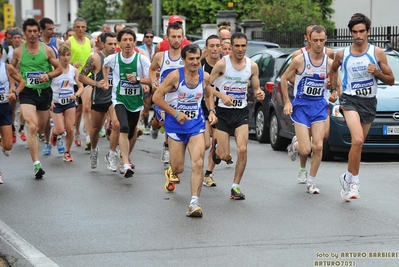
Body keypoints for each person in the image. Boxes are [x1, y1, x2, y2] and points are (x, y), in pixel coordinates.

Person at [329, 13, 394, 201]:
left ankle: (346, 177)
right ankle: (354, 183)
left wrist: (378, 73)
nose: (358, 35)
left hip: (369, 102)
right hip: (349, 100)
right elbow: (333, 69)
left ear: (368, 32)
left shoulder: (377, 53)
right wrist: (334, 88)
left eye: (362, 31)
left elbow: (391, 80)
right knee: (356, 140)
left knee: (359, 144)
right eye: (355, 32)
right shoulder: (343, 53)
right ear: (351, 33)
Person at [153, 44, 218, 217]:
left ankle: (194, 202)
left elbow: (208, 93)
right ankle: (171, 171)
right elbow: (156, 97)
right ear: (184, 60)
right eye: (191, 59)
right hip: (175, 126)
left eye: (197, 58)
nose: (195, 62)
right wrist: (175, 112)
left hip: (195, 125)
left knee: (198, 162)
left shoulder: (205, 76)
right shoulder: (175, 76)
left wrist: (211, 111)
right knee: (179, 167)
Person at [281, 25, 338, 194]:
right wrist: (286, 102)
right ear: (309, 40)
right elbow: (284, 78)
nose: (318, 44)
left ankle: (311, 182)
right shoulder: (300, 60)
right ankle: (296, 144)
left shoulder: (329, 63)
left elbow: (336, 83)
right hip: (301, 106)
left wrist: (334, 92)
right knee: (306, 149)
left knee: (319, 146)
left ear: (325, 40)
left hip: (319, 105)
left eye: (321, 40)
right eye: (315, 40)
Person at [208, 32, 265, 200]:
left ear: (246, 46)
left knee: (242, 149)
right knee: (225, 155)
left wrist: (259, 93)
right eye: (237, 46)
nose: (240, 49)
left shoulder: (252, 66)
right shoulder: (221, 64)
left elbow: (256, 88)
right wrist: (222, 96)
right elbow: (206, 86)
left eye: (243, 46)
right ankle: (217, 153)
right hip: (223, 113)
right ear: (231, 47)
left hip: (241, 112)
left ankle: (235, 186)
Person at [10, 18, 62, 178]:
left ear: (38, 32)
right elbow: (10, 70)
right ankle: (36, 164)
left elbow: (59, 69)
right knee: (32, 127)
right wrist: (14, 86)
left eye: (35, 31)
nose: (32, 34)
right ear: (24, 33)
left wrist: (48, 75)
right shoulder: (18, 52)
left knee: (39, 128)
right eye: (29, 31)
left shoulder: (47, 50)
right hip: (27, 92)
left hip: (44, 93)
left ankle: (47, 136)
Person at [103, 27, 151, 178]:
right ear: (119, 43)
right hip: (119, 99)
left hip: (135, 101)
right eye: (124, 40)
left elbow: (151, 79)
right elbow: (105, 65)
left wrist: (139, 80)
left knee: (131, 131)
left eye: (131, 40)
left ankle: (122, 156)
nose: (128, 43)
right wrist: (105, 80)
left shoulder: (141, 59)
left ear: (135, 42)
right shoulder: (114, 59)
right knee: (122, 127)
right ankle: (126, 164)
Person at [79, 32, 120, 171]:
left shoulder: (119, 58)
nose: (113, 47)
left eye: (115, 44)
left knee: (116, 124)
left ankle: (112, 154)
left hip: (114, 98)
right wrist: (96, 84)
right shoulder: (95, 58)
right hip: (99, 98)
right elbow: (81, 77)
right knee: (95, 129)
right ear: (102, 43)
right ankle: (94, 150)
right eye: (110, 44)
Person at [149, 22, 185, 170]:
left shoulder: (188, 57)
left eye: (179, 36)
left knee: (174, 125)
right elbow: (152, 70)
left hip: (181, 99)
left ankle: (166, 144)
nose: (176, 40)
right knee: (166, 121)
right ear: (167, 38)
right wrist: (153, 82)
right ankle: (157, 126)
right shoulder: (160, 57)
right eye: (173, 36)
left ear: (183, 37)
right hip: (163, 98)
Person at [200, 35, 233, 187]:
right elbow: (206, 87)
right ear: (206, 48)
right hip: (202, 106)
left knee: (215, 141)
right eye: (211, 46)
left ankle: (208, 174)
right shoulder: (199, 64)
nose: (214, 49)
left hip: (221, 108)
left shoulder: (226, 64)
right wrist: (219, 94)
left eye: (217, 46)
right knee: (206, 143)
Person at [63, 18, 93, 151]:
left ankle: (88, 137)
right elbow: (60, 60)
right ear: (74, 28)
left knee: (87, 108)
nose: (80, 29)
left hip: (86, 78)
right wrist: (70, 65)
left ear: (85, 28)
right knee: (78, 110)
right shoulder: (69, 42)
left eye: (83, 27)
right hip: (72, 80)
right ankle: (77, 133)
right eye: (78, 27)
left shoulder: (88, 41)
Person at [50, 45, 84, 162]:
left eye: (68, 55)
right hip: (56, 103)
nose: (66, 58)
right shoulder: (53, 69)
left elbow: (80, 86)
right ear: (58, 56)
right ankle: (54, 132)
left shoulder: (73, 70)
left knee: (70, 129)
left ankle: (67, 152)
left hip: (69, 102)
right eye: (63, 55)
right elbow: (46, 87)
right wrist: (49, 100)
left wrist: (77, 95)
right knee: (60, 130)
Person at [0, 43, 26, 184]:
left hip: (4, 107)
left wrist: (14, 92)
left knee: (8, 145)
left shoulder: (7, 68)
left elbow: (22, 82)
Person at [139, 29, 157, 135]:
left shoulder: (156, 48)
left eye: (151, 37)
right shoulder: (140, 49)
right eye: (147, 37)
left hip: (155, 79)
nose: (149, 39)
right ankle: (146, 125)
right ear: (144, 38)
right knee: (147, 103)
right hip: (145, 78)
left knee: (158, 101)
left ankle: (153, 121)